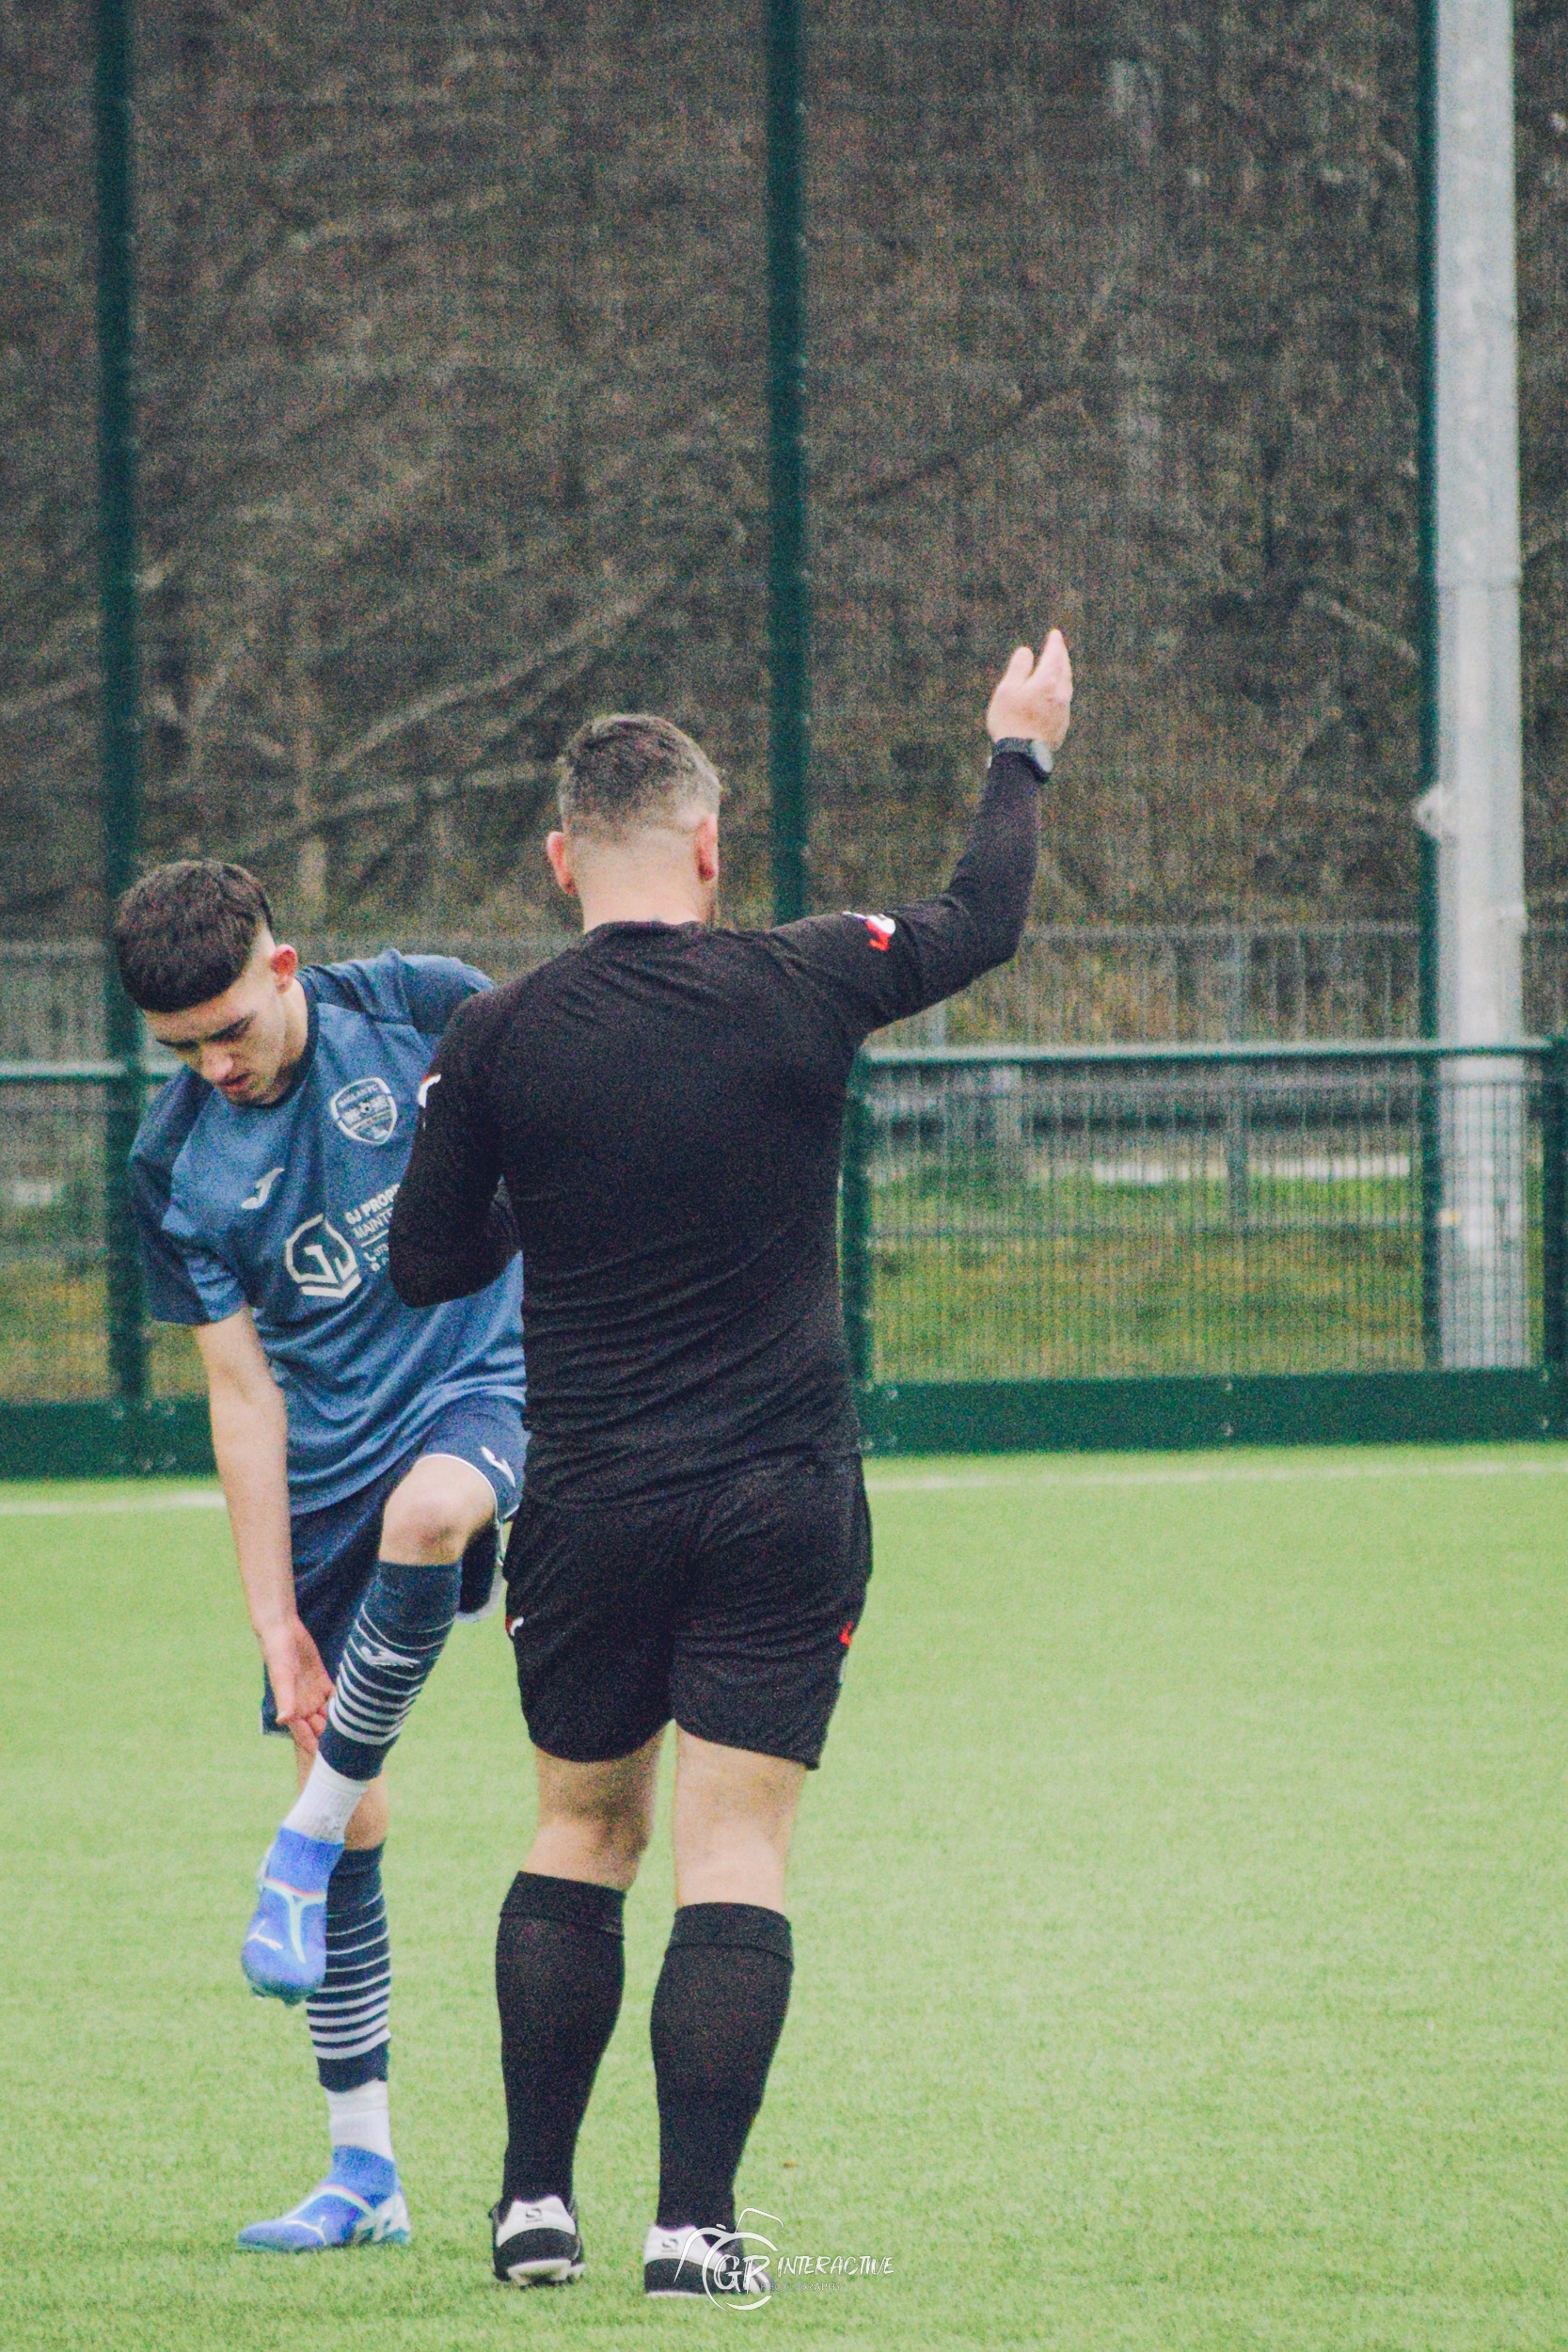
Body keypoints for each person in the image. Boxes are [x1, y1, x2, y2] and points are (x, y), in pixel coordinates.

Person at [387, 631, 1072, 2296]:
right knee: (735, 1850)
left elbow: (425, 1267)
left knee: (577, 1830)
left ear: (561, 861)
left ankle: (533, 2208)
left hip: (592, 1505)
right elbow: (981, 920)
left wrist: (505, 1174)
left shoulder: (498, 1036)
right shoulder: (808, 972)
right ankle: (693, 2232)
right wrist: (1018, 751)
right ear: (709, 846)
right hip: (780, 1496)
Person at [117, 862, 526, 2254]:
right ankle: (366, 2175)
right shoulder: (173, 1167)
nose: (214, 1064)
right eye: (182, 1048)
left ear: (282, 968)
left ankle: (285, 1852)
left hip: (490, 1383)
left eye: (230, 1027)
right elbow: (243, 1401)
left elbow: (572, 1124)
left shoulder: (418, 1010)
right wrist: (272, 1619)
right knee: (354, 1809)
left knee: (435, 1512)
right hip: (328, 1475)